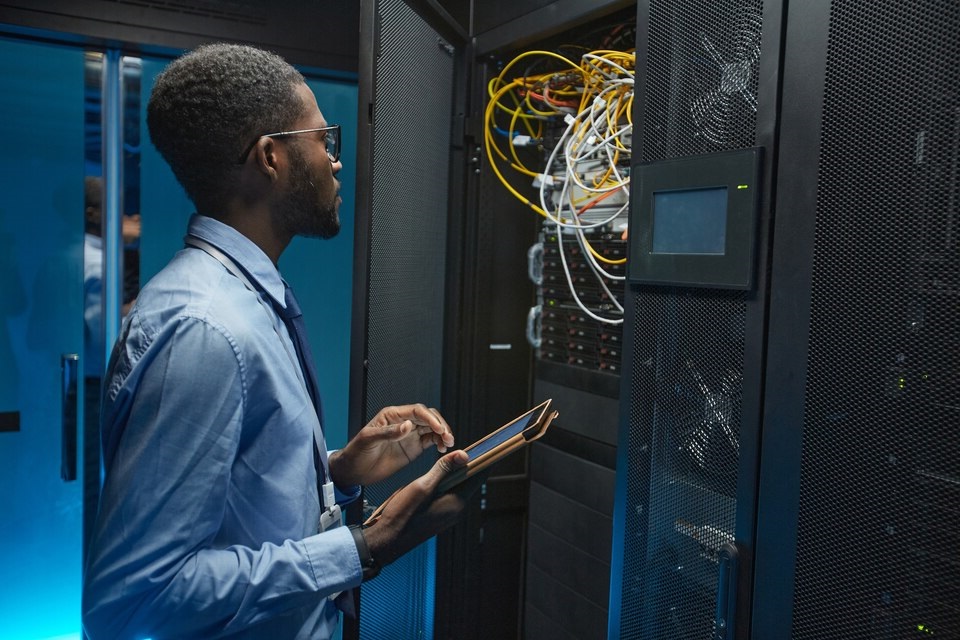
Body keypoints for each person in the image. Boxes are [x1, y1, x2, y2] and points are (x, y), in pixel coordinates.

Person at [82, 43, 475, 639]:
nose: (336, 161)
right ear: (271, 157)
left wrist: (338, 470)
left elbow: (232, 510)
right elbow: (133, 600)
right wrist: (362, 545)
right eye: (324, 140)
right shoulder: (206, 328)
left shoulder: (240, 301)